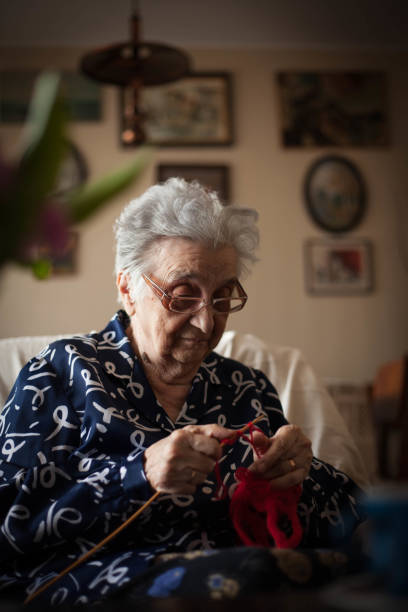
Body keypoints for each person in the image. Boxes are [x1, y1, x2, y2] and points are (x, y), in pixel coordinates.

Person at [0, 179, 365, 606]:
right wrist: (137, 474)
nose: (207, 324)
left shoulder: (246, 387)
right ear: (127, 288)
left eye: (223, 296)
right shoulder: (62, 373)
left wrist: (303, 475)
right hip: (107, 580)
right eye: (183, 295)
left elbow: (349, 516)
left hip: (251, 571)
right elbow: (9, 522)